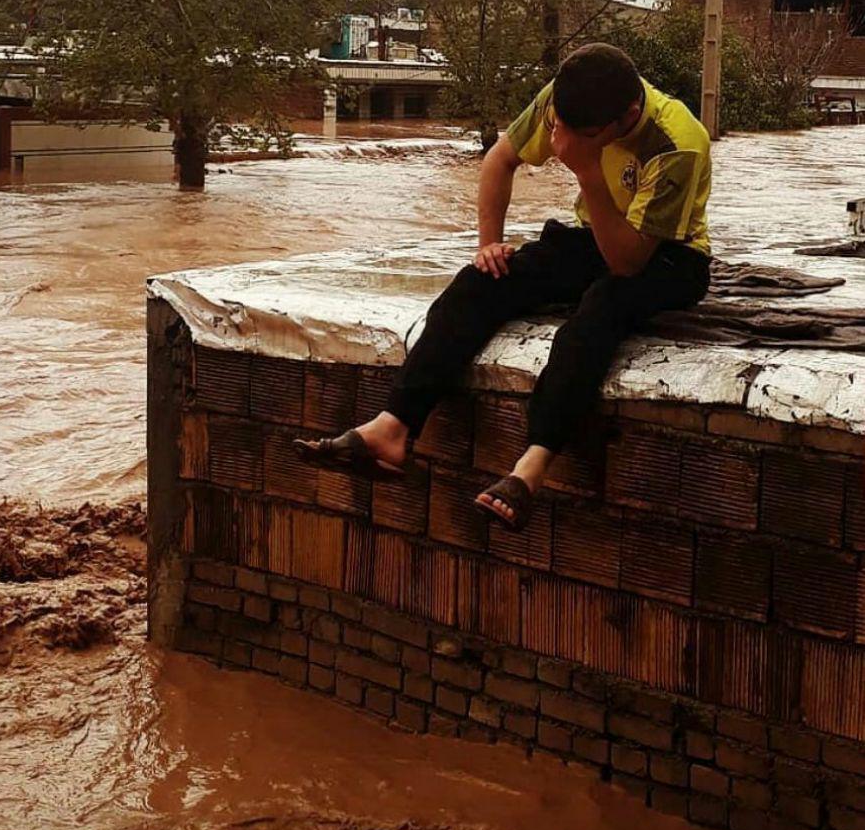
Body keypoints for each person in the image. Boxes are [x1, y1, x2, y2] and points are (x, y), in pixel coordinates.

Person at [297, 42, 712, 532]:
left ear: (629, 115)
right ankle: (394, 427)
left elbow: (626, 262)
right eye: (565, 127)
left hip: (665, 255)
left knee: (601, 308)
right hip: (593, 236)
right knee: (482, 282)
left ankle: (530, 468)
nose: (567, 137)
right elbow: (500, 159)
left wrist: (586, 171)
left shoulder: (678, 140)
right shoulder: (565, 99)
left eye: (587, 135)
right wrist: (489, 245)